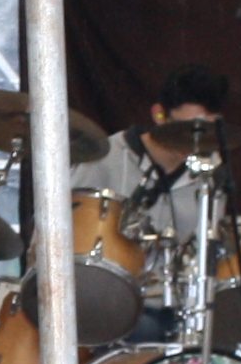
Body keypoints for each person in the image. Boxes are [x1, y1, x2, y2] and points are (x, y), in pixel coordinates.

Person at [94, 65, 230, 340]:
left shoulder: (210, 174)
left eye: (206, 129)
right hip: (108, 301)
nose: (196, 139)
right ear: (159, 115)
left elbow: (204, 253)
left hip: (179, 307)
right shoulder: (106, 157)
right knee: (145, 331)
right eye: (186, 128)